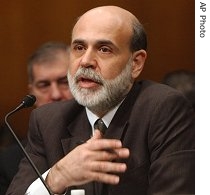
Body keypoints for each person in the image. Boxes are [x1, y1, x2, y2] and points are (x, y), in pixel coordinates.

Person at [6, 6, 194, 195]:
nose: (86, 61)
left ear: (136, 63)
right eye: (79, 48)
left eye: (104, 49)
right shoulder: (48, 121)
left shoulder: (162, 108)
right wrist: (56, 177)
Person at [0, 41, 73, 195]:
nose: (55, 94)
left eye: (64, 82)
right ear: (31, 92)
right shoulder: (7, 162)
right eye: (44, 85)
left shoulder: (99, 136)